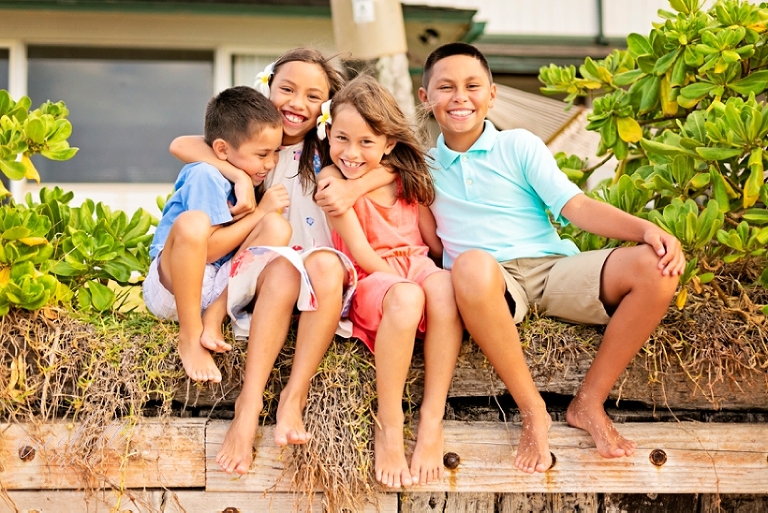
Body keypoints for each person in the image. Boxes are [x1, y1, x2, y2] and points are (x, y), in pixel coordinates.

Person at [417, 42, 686, 473]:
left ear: (492, 94)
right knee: (468, 262)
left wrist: (646, 229)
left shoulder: (518, 145)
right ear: (425, 98)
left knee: (654, 267)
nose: (459, 97)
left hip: (553, 267)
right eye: (445, 87)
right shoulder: (422, 166)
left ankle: (589, 402)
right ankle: (533, 411)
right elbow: (428, 241)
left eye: (472, 86)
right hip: (491, 284)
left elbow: (575, 207)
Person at [168, 48, 396, 475]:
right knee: (280, 254)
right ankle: (248, 409)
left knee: (321, 265)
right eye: (287, 89)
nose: (297, 104)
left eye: (314, 96)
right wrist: (237, 174)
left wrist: (353, 187)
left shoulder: (330, 145)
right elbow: (181, 143)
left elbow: (399, 161)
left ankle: (294, 398)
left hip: (319, 275)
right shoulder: (250, 145)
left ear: (328, 106)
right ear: (267, 87)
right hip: (262, 272)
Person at [318, 75, 463, 489]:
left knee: (443, 287)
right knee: (406, 294)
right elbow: (362, 253)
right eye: (342, 138)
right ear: (329, 134)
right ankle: (390, 423)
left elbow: (432, 244)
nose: (351, 152)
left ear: (388, 144)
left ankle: (431, 419)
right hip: (371, 278)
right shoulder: (334, 183)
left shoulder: (404, 180)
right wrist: (403, 282)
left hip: (415, 267)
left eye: (367, 142)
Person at [143, 85, 285, 384]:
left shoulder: (240, 166)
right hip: (174, 288)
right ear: (221, 149)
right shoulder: (205, 174)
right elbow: (208, 251)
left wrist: (247, 182)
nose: (270, 163)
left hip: (218, 287)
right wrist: (260, 212)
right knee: (193, 223)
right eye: (263, 154)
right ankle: (190, 337)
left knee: (278, 228)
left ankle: (215, 317)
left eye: (276, 152)